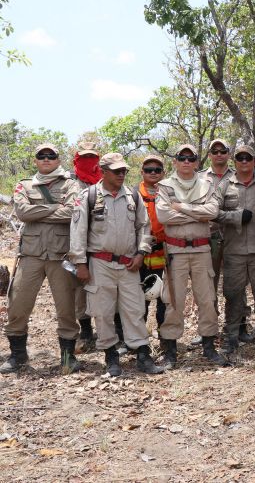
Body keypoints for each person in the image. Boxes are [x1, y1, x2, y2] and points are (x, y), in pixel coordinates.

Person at [69, 153, 163, 376]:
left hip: (129, 263)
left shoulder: (133, 196)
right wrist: (80, 263)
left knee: (135, 309)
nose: (121, 175)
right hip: (100, 264)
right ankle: (111, 356)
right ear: (104, 171)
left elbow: (144, 227)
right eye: (117, 171)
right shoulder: (89, 196)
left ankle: (142, 354)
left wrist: (141, 252)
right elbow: (78, 231)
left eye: (124, 171)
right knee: (103, 311)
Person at [1, 144, 81, 374]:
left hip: (61, 256)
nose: (46, 159)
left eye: (51, 155)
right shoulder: (24, 185)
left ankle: (68, 357)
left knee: (66, 309)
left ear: (57, 159)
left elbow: (73, 213)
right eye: (41, 156)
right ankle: (18, 356)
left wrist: (40, 210)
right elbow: (23, 213)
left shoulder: (70, 184)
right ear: (35, 160)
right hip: (31, 255)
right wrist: (56, 207)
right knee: (17, 305)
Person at [156, 144, 228, 368]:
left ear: (197, 162)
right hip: (175, 251)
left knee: (207, 299)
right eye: (182, 158)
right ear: (175, 161)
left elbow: (213, 212)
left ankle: (209, 346)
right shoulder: (165, 186)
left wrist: (180, 208)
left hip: (201, 250)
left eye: (191, 158)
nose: (186, 162)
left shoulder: (207, 185)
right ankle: (170, 350)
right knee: (173, 299)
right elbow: (163, 215)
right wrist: (196, 214)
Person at [215, 145, 255, 355]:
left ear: (254, 160)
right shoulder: (225, 185)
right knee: (233, 294)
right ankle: (232, 336)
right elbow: (214, 213)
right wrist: (236, 217)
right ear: (234, 161)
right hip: (233, 250)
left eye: (248, 158)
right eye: (240, 158)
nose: (244, 161)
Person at [200, 138, 248, 342]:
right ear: (209, 154)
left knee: (236, 284)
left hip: (234, 237)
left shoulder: (239, 176)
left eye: (223, 151)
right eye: (215, 151)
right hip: (207, 237)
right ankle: (208, 330)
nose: (219, 155)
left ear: (228, 154)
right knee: (207, 285)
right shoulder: (199, 178)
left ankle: (240, 326)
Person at [72, 141, 103, 353]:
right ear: (76, 158)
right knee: (79, 289)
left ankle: (108, 331)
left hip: (102, 243)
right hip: (76, 243)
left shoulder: (107, 179)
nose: (88, 161)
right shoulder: (68, 182)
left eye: (92, 157)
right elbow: (67, 212)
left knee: (104, 287)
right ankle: (85, 332)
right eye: (84, 157)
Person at [138, 155, 168, 332]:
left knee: (164, 299)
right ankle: (139, 340)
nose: (153, 173)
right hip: (141, 257)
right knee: (139, 300)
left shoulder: (169, 193)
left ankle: (165, 336)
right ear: (142, 172)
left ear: (163, 173)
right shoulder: (132, 195)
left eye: (157, 170)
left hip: (165, 255)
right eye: (149, 170)